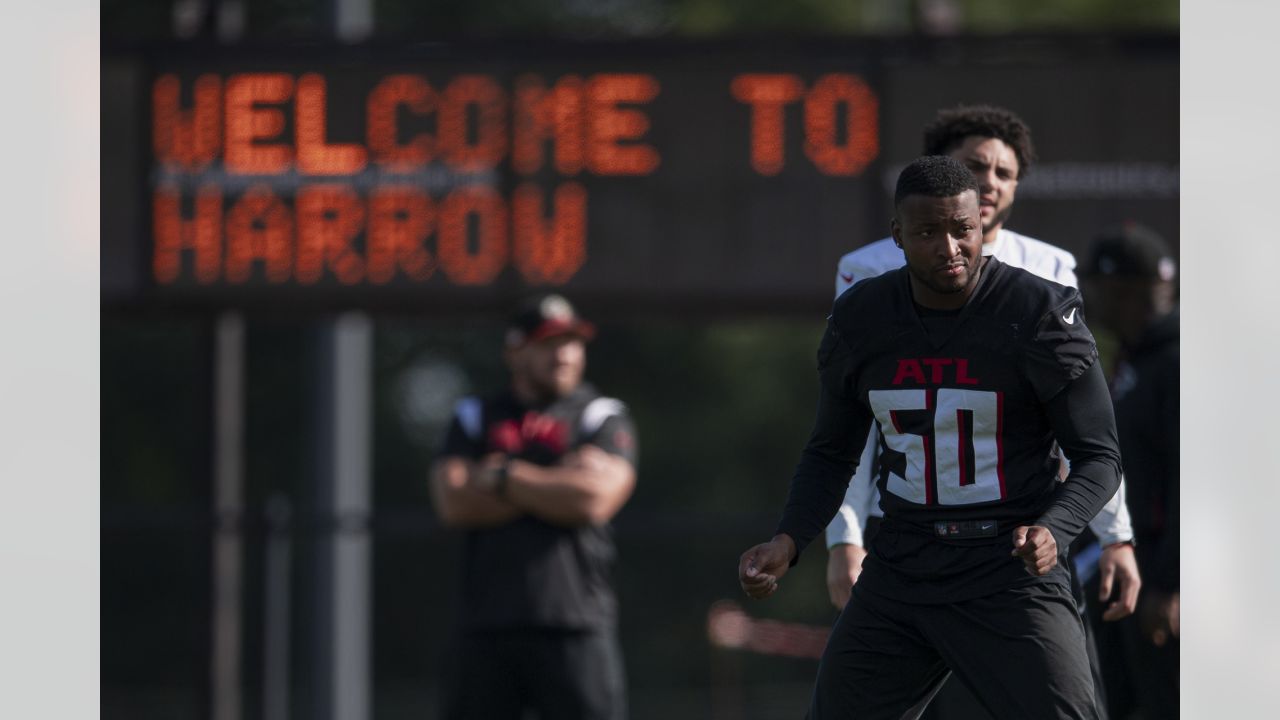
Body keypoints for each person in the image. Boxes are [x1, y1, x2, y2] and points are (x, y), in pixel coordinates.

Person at [738, 155, 1123, 718]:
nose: (949, 248)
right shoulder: (862, 319)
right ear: (897, 235)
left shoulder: (1036, 311)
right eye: (927, 232)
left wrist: (1054, 529)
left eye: (962, 229)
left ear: (981, 225)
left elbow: (1099, 455)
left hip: (1007, 572)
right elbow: (831, 452)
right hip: (904, 565)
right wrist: (789, 541)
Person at [826, 106, 1139, 627]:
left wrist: (1115, 534)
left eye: (1005, 172)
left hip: (1023, 530)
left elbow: (1083, 425)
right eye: (975, 166)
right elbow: (851, 419)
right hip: (910, 526)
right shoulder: (867, 271)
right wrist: (845, 534)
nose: (989, 182)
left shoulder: (1050, 270)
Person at [430, 293, 638, 720]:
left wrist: (503, 477)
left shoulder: (599, 416)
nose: (563, 354)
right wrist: (557, 478)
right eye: (547, 343)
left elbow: (593, 500)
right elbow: (453, 501)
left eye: (572, 342)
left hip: (576, 624)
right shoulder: (475, 415)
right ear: (514, 350)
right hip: (485, 628)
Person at [1079, 223, 1179, 719]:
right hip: (1130, 575)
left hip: (1162, 587)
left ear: (1120, 289)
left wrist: (1172, 582)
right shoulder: (1135, 361)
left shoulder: (1178, 362)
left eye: (1093, 286)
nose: (1088, 298)